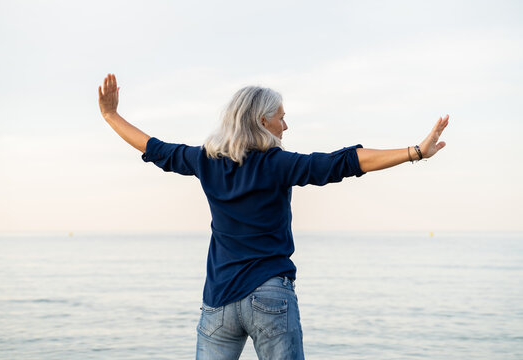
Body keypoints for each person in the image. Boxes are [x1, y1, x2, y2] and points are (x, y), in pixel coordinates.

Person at [98, 73, 449, 359]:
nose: (286, 125)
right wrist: (415, 151)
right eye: (281, 117)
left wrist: (111, 116)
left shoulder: (205, 160)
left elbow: (154, 147)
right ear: (262, 121)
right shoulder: (278, 164)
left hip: (219, 301)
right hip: (270, 295)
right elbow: (344, 162)